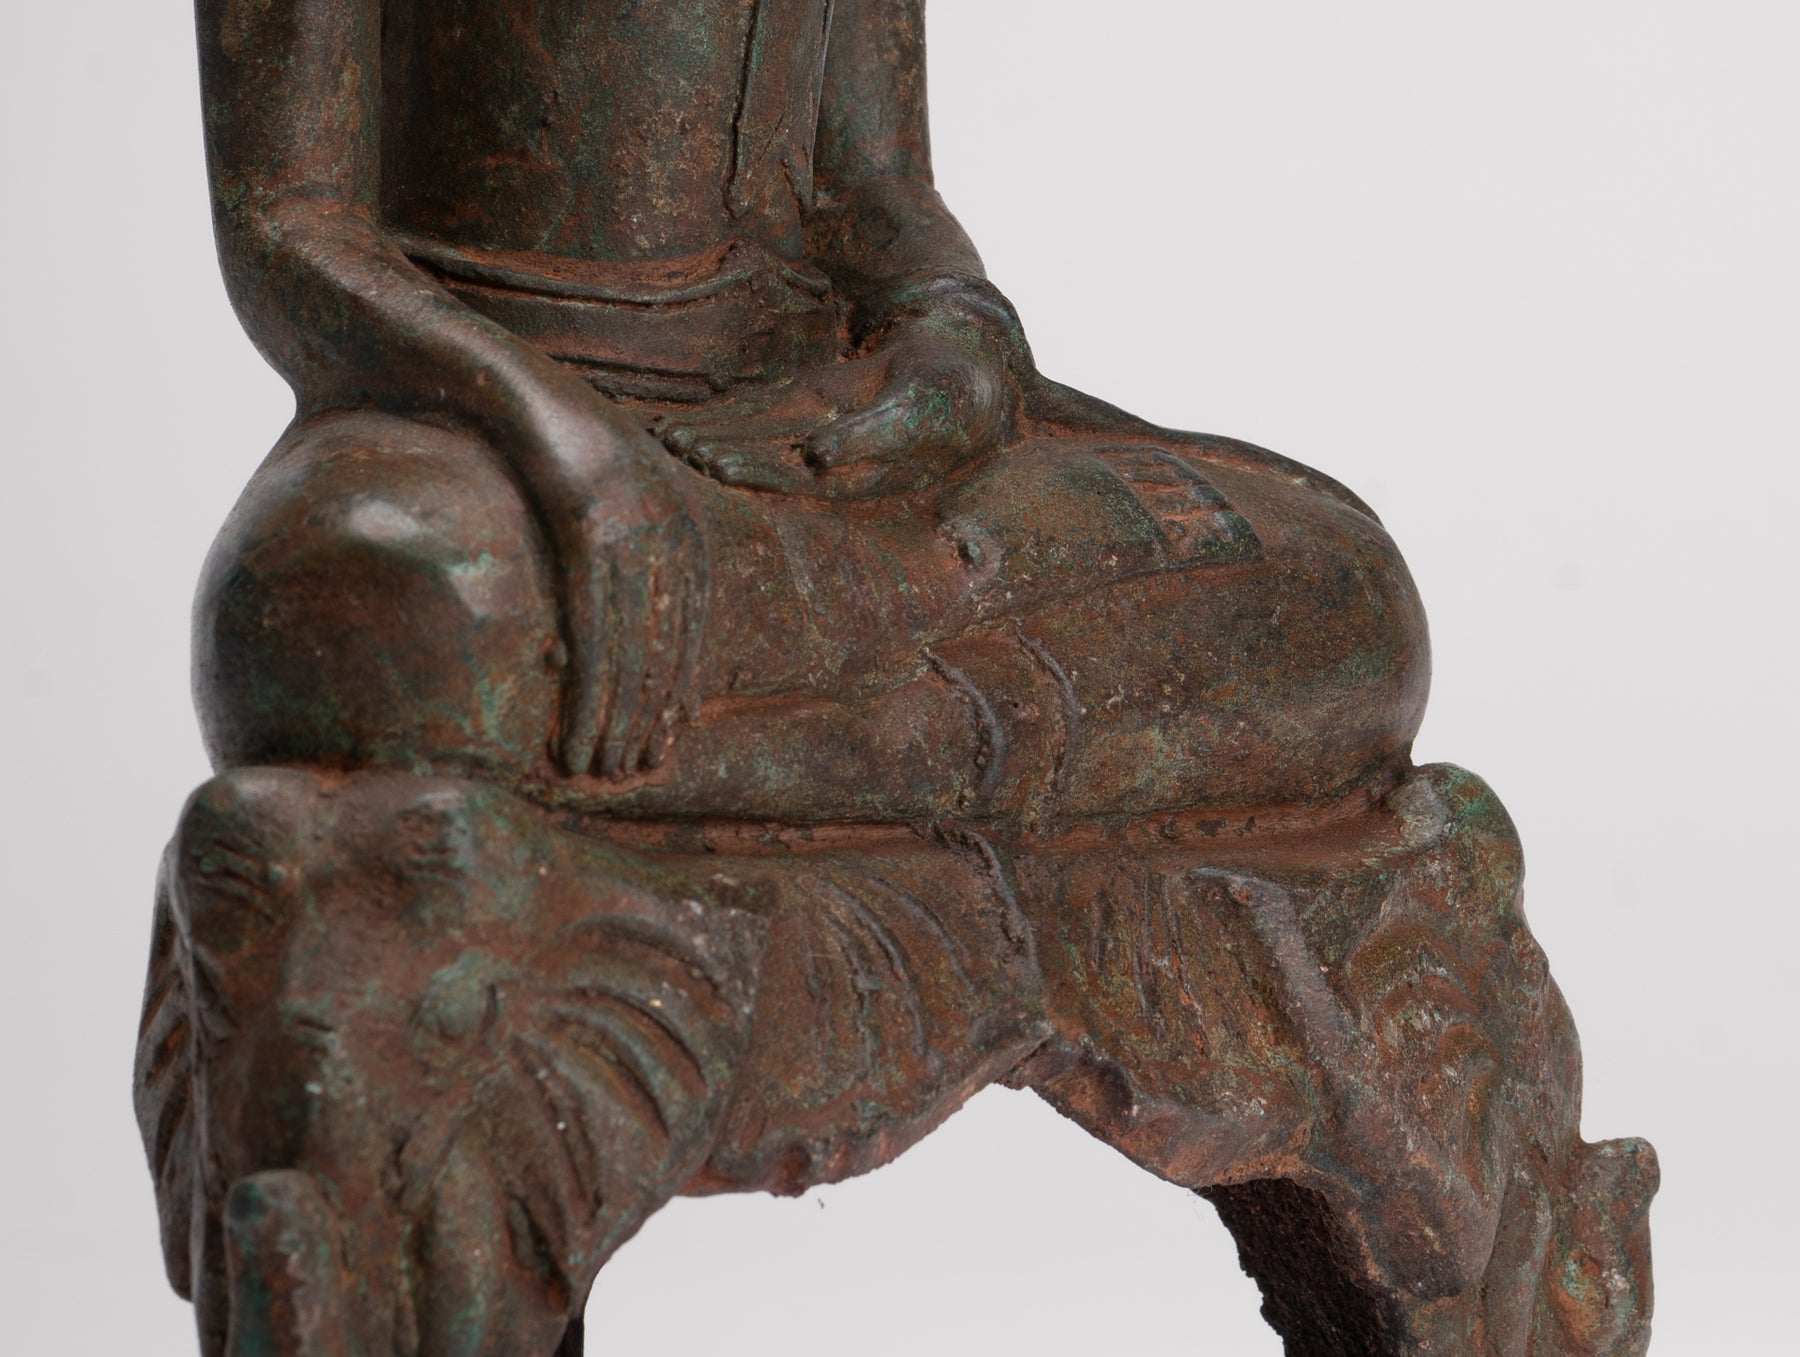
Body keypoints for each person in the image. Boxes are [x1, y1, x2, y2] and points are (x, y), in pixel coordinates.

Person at [194, 0, 1427, 829]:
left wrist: (951, 338)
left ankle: (757, 746)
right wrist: (569, 447)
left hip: (822, 432)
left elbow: (875, 184)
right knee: (364, 615)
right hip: (479, 426)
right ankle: (915, 717)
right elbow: (288, 223)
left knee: (1344, 593)